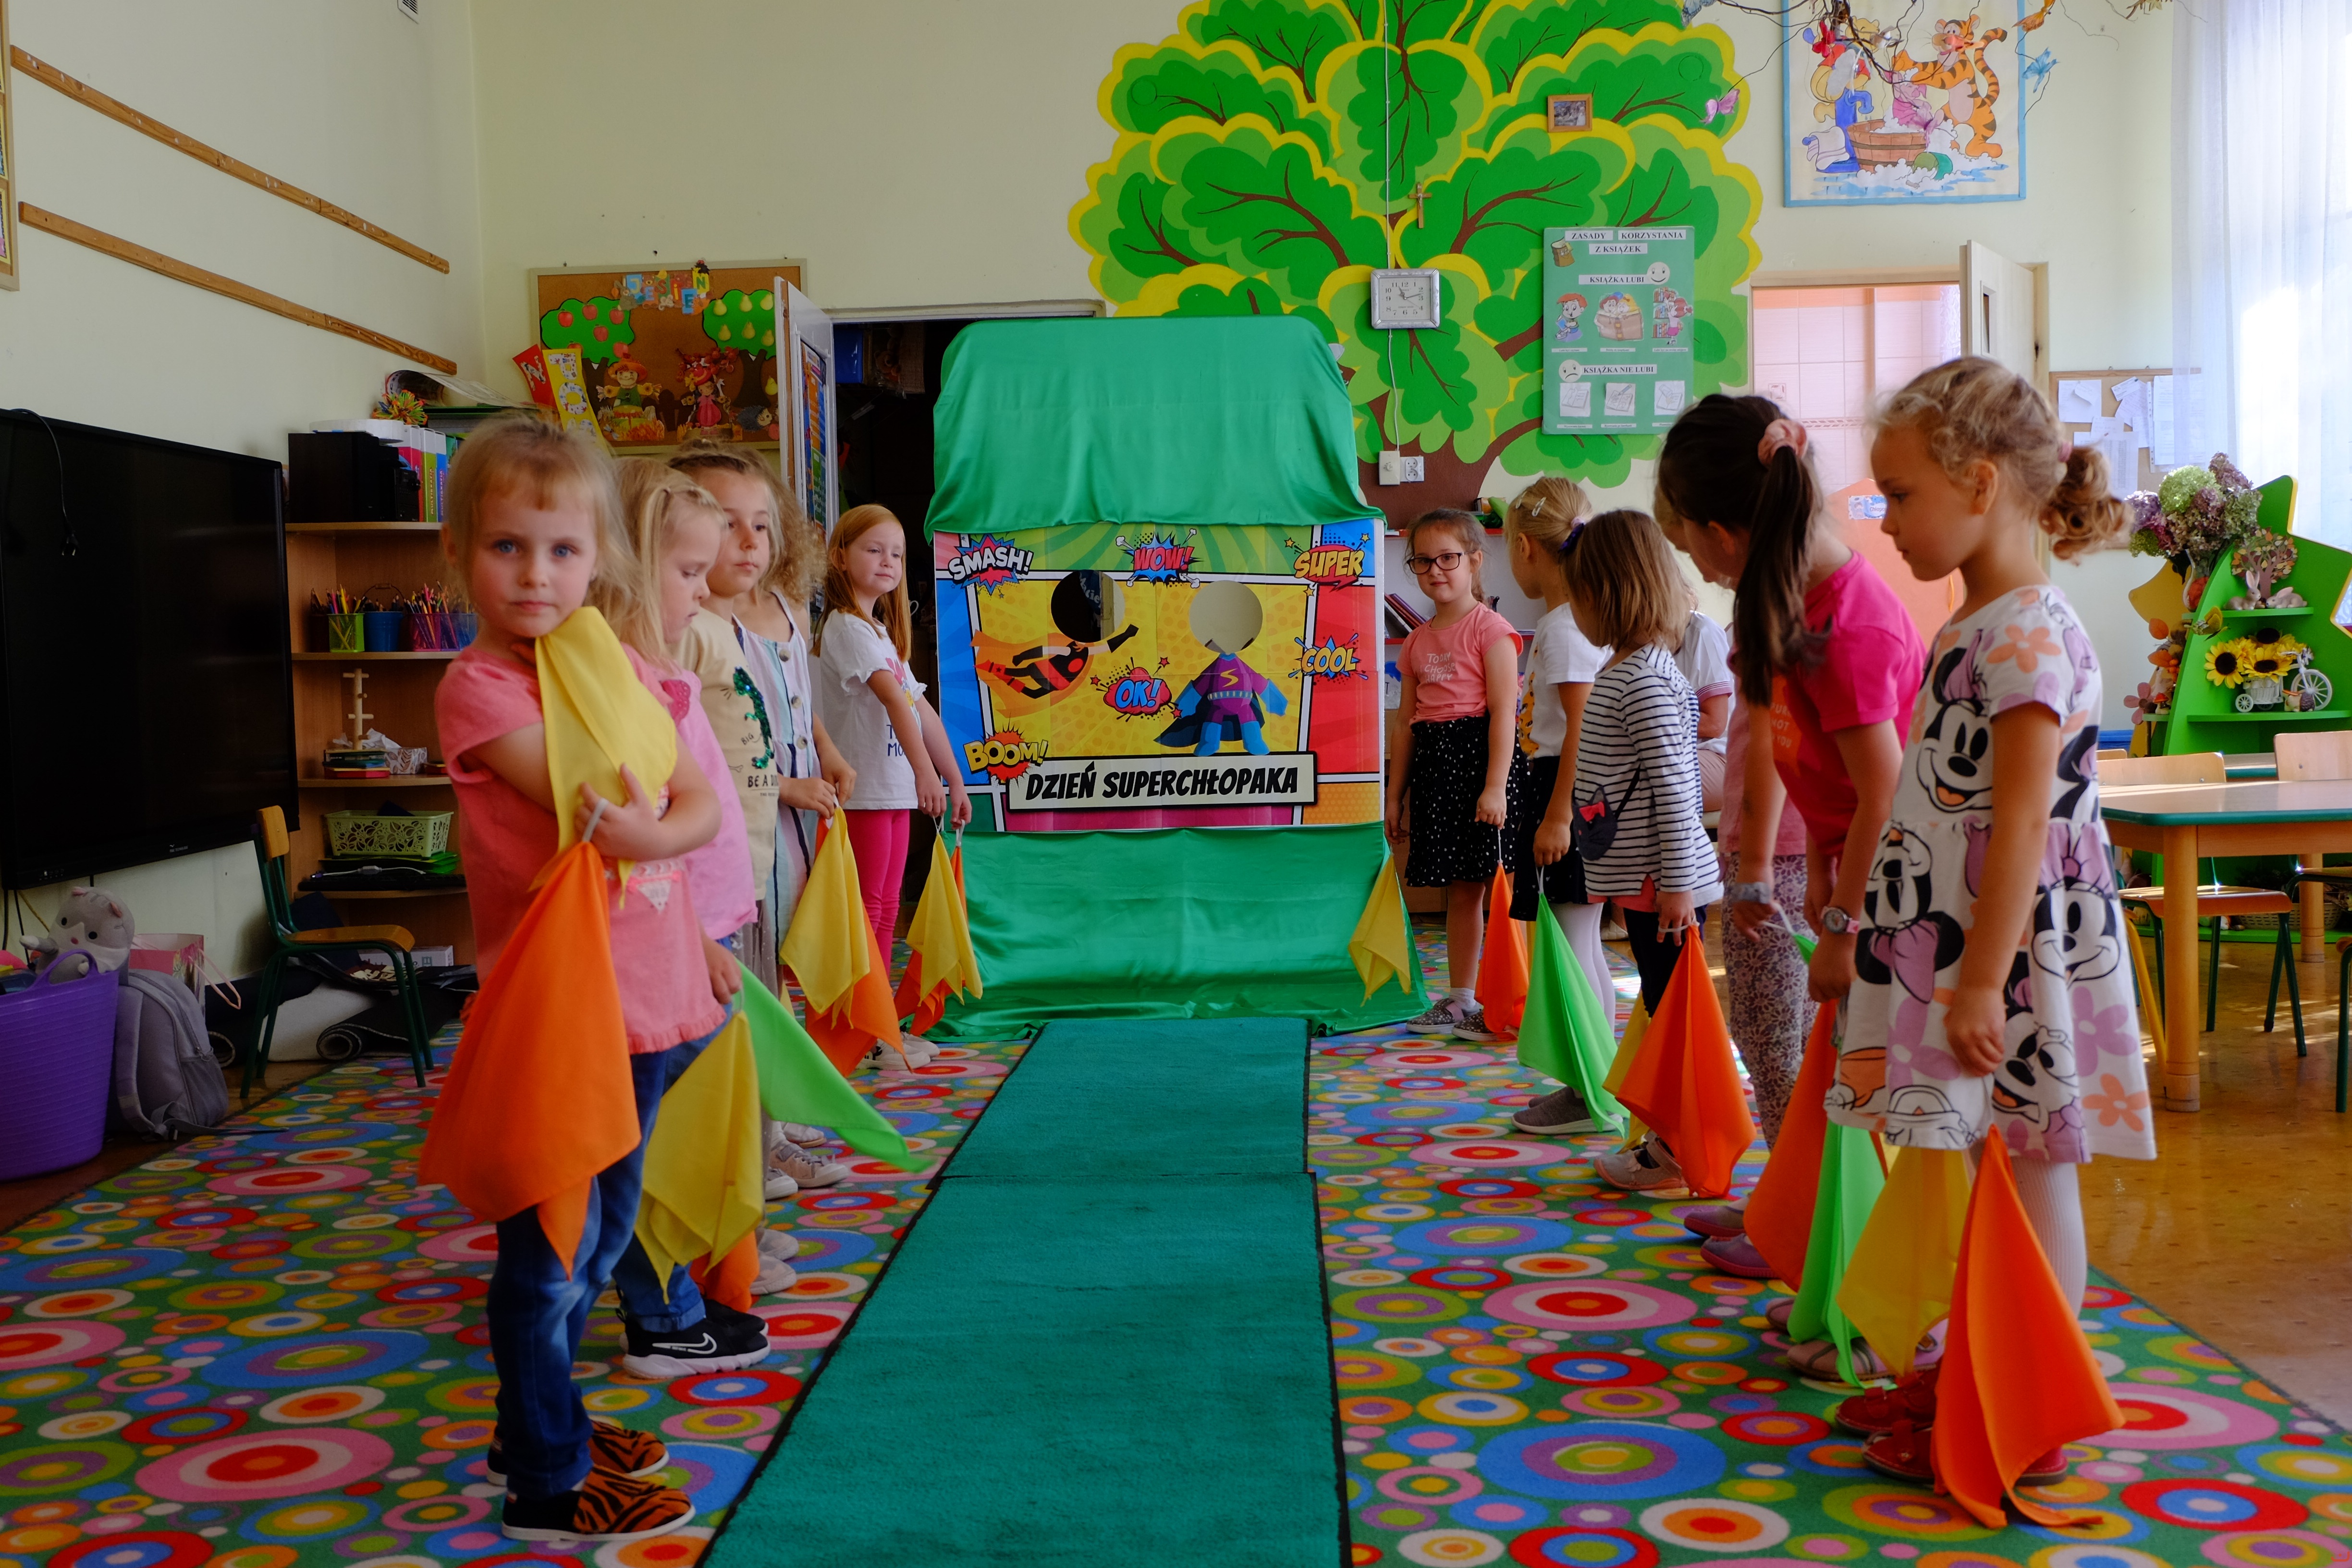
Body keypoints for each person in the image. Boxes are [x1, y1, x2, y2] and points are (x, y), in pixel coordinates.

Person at [1831, 356, 2149, 1487]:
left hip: (2007, 953)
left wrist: (1979, 983)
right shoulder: (1977, 620)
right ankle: (1980, 1364)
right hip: (1960, 934)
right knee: (1977, 1160)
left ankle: (2033, 1408)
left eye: (1898, 494)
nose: (1885, 520)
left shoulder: (2026, 633)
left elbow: (2021, 824)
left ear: (1977, 483)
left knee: (2028, 1165)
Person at [435, 416, 716, 1544]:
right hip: (559, 1014)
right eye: (507, 547)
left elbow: (690, 800)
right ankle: (547, 1480)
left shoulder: (617, 669)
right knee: (550, 1254)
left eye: (561, 550)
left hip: (641, 1001)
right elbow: (595, 791)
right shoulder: (481, 687)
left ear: (598, 557)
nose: (535, 575)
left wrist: (655, 836)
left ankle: (534, 1421)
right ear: (461, 554)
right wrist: (650, 819)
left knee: (599, 1240)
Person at [1651, 394, 1925, 1261]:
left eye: (1684, 538)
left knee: (1867, 1077)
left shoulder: (1847, 625)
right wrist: (1792, 867)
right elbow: (1788, 745)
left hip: (1905, 882)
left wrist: (1843, 922)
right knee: (1819, 1059)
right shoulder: (1785, 599)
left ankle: (1847, 1261)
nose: (1690, 558)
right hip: (1856, 867)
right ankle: (1802, 1218)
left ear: (1720, 534)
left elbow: (1886, 797)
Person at [582, 460, 780, 1373]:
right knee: (640, 1146)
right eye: (688, 571)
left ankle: (681, 1293)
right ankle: (659, 1312)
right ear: (629, 567)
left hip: (696, 936)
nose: (702, 591)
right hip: (664, 951)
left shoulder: (657, 672)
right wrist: (697, 940)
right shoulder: (618, 684)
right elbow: (642, 843)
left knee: (685, 1128)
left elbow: (697, 805)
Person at [673, 441, 857, 1199]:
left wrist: (822, 754)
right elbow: (709, 759)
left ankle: (766, 1139)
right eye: (727, 524)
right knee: (736, 1002)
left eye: (761, 523)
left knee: (768, 988)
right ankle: (747, 1159)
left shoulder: (762, 613)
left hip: (765, 845)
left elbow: (783, 714)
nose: (749, 541)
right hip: (723, 852)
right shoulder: (689, 631)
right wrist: (783, 786)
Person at [1539, 510, 1720, 1183]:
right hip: (1647, 883)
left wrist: (1675, 885)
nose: (1572, 612)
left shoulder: (1642, 677)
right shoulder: (1630, 668)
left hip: (1663, 887)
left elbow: (1675, 788)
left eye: (1576, 596)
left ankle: (1677, 1151)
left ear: (1604, 594)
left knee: (1674, 1020)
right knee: (1661, 1011)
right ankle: (1670, 1140)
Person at [812, 504, 973, 1069]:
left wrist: (953, 779)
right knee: (868, 911)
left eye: (898, 554)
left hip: (893, 789)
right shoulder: (846, 628)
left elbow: (921, 711)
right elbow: (892, 700)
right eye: (874, 550)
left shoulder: (878, 630)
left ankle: (878, 1026)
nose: (888, 562)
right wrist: (926, 773)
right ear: (840, 558)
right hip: (866, 793)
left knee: (884, 912)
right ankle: (866, 1031)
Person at [1495, 477, 1613, 1134]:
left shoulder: (1566, 628)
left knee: (1572, 945)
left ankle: (1587, 1090)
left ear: (1524, 548)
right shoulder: (1571, 623)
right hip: (1564, 791)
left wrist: (1558, 816)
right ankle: (1592, 1081)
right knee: (1581, 942)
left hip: (1565, 794)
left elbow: (1580, 729)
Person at [1386, 508, 1523, 1043]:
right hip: (1436, 766)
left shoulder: (1492, 630)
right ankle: (1462, 997)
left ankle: (1511, 998)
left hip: (1481, 762)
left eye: (1448, 558)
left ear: (1475, 561)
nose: (1435, 570)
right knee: (1460, 890)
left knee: (1500, 886)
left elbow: (1504, 713)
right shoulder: (1417, 642)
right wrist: (1395, 795)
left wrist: (1494, 787)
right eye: (1423, 561)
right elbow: (1405, 724)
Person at [1671, 584, 1734, 812]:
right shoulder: (1626, 640)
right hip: (1675, 748)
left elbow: (1715, 724)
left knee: (1639, 778)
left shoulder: (1700, 631)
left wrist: (1650, 723)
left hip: (1714, 751)